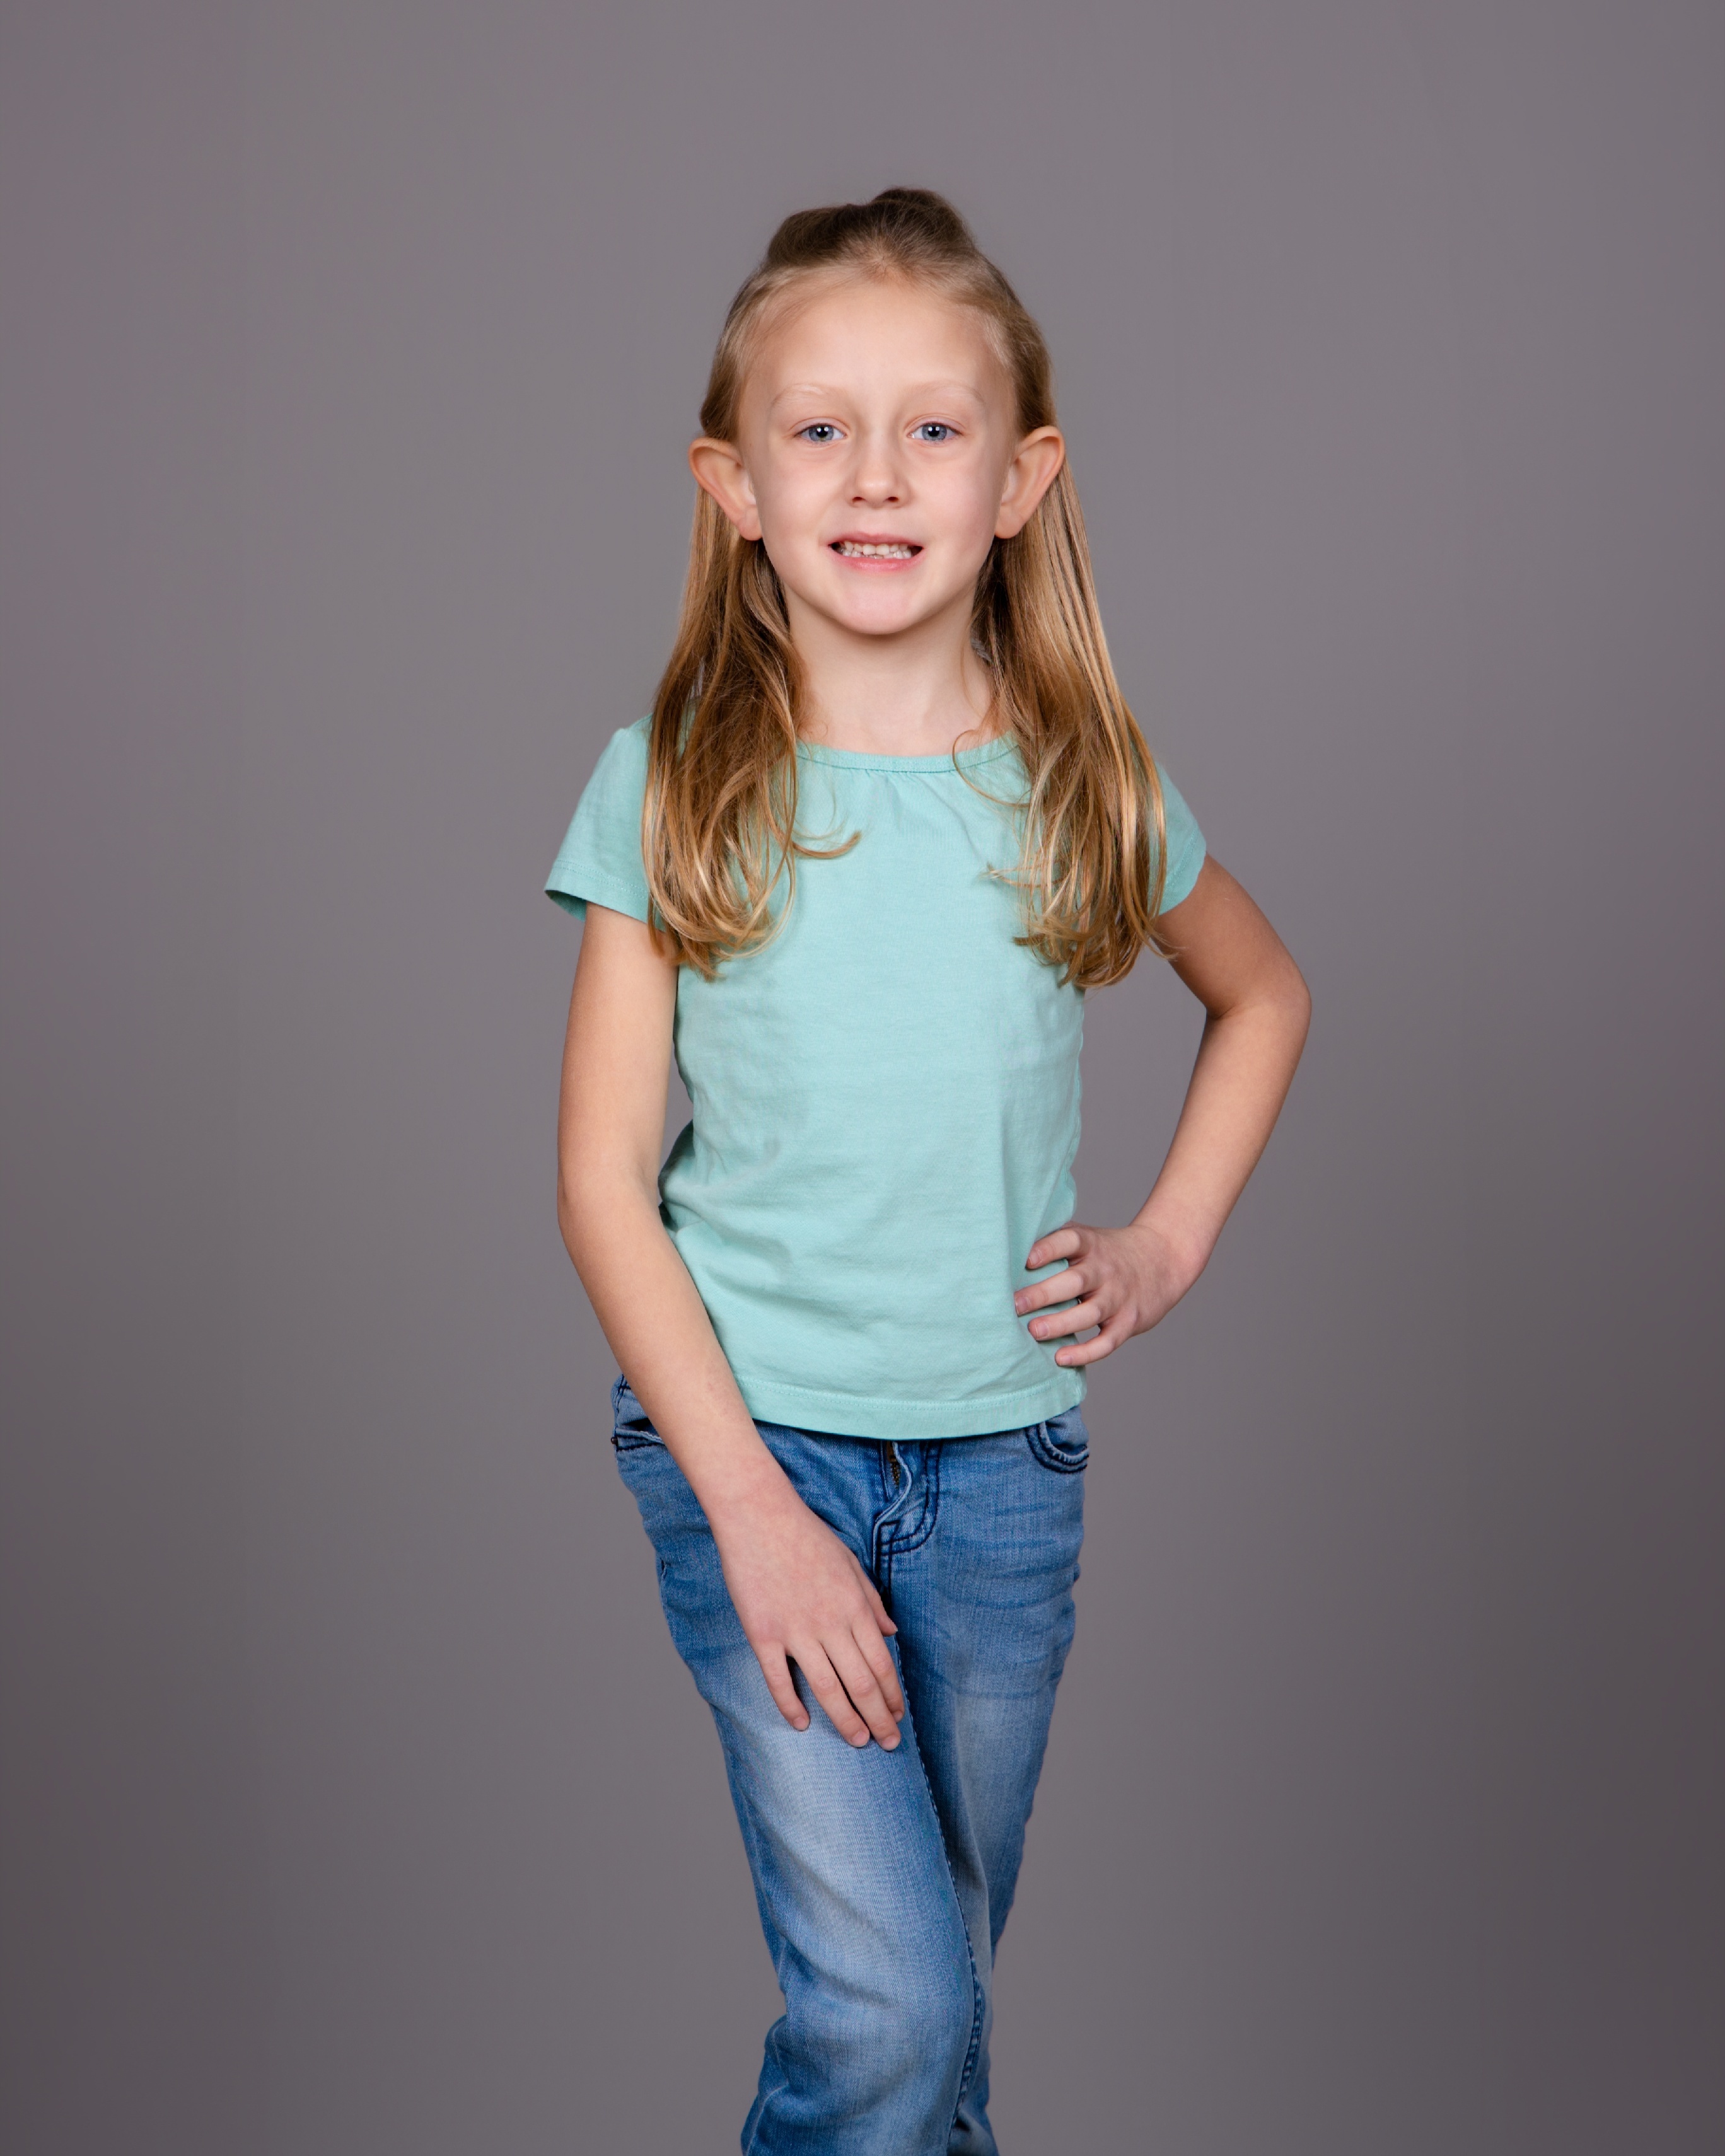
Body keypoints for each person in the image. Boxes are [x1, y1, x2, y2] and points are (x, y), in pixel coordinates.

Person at [547, 188, 1310, 2156]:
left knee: (944, 2012)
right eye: (819, 428)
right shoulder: (672, 780)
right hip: (758, 1451)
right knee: (890, 2007)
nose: (876, 475)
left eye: (934, 428)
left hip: (1003, 1476)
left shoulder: (1082, 778)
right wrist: (751, 1513)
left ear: (1021, 481)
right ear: (734, 486)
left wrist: (1164, 1244)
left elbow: (1263, 992)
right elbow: (604, 1182)